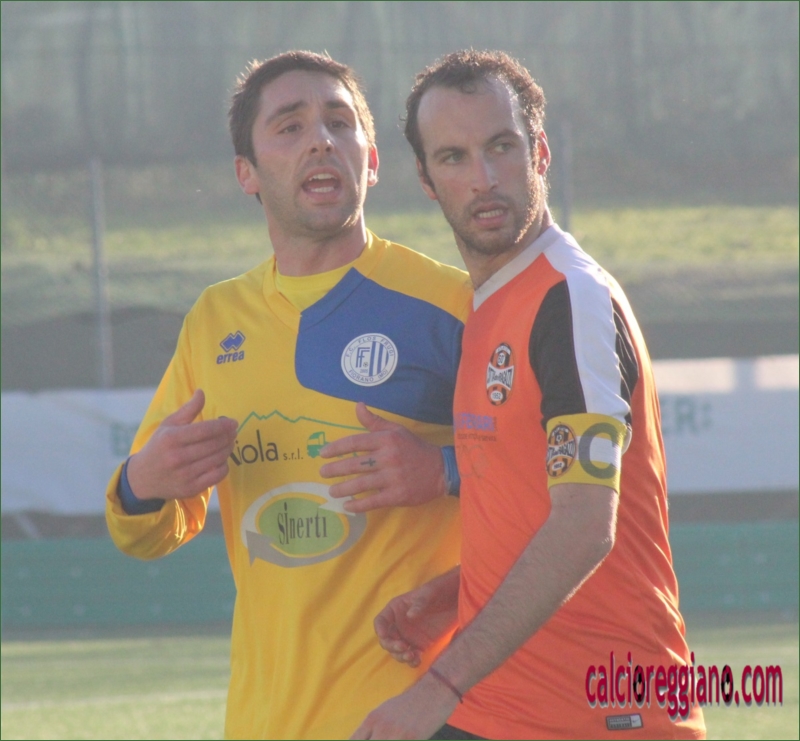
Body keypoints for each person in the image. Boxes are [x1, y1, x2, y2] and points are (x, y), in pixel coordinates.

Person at [105, 51, 472, 740]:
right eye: (290, 126)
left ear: (371, 160)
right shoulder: (215, 320)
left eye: (339, 122)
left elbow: (543, 485)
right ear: (246, 172)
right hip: (264, 720)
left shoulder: (453, 305)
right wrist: (140, 483)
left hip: (416, 716)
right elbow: (148, 531)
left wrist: (442, 471)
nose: (320, 140)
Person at [353, 50, 706, 740]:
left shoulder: (569, 299)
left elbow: (585, 523)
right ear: (426, 179)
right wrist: (459, 592)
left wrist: (438, 686)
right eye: (453, 157)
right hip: (500, 709)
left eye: (501, 147)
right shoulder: (491, 303)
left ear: (539, 152)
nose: (483, 179)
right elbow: (532, 505)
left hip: (604, 715)